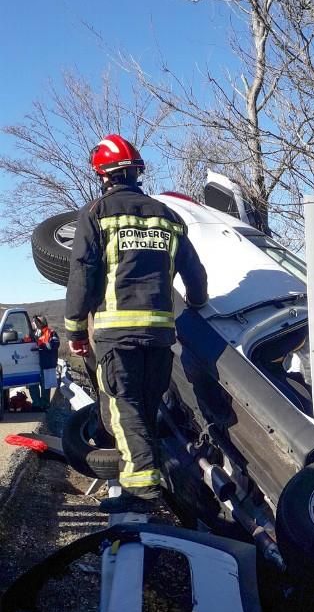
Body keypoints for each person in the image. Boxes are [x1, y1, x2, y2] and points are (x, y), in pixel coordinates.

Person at [65, 134, 208, 513]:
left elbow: (82, 275)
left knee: (125, 409)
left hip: (117, 335)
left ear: (102, 174)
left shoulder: (97, 214)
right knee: (145, 408)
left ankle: (141, 495)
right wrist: (198, 304)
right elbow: (194, 274)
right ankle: (159, 486)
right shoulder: (168, 216)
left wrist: (75, 330)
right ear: (137, 171)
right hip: (160, 335)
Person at [32, 315, 60, 410]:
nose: (33, 324)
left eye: (35, 322)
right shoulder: (33, 334)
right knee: (33, 385)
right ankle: (36, 404)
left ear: (39, 323)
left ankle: (44, 404)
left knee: (45, 386)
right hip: (34, 364)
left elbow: (54, 344)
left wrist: (41, 344)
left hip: (46, 364)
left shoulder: (51, 333)